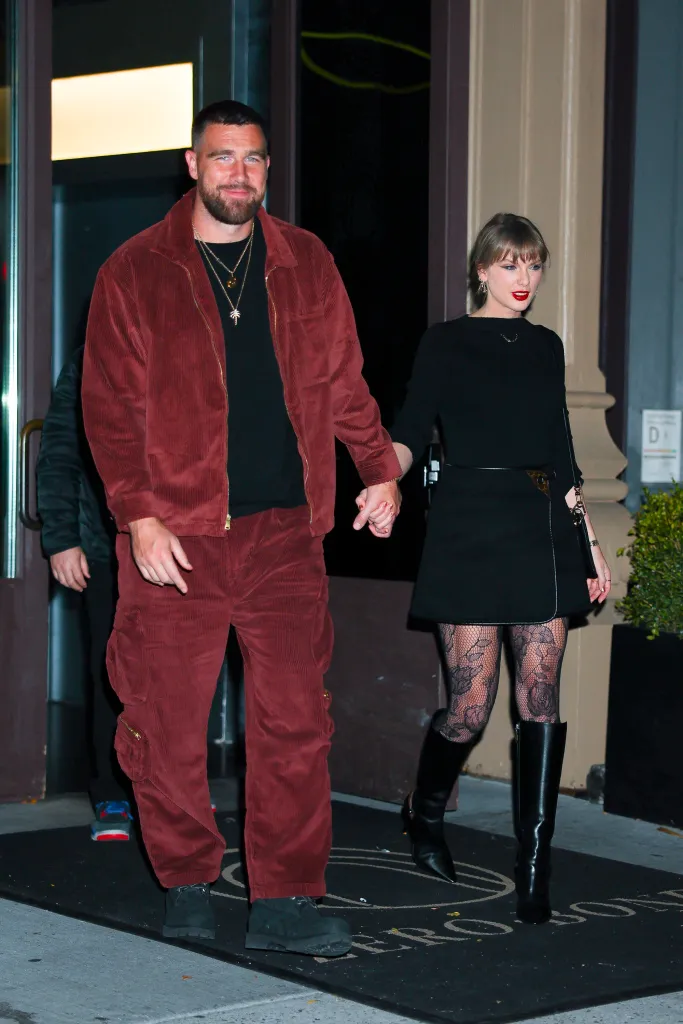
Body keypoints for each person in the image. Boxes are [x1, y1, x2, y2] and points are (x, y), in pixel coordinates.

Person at [81, 99, 401, 954]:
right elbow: (108, 411)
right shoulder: (134, 270)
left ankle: (285, 900)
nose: (239, 175)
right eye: (222, 158)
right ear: (192, 164)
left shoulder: (305, 260)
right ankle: (187, 879)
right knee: (168, 719)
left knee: (296, 720)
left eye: (253, 160)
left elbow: (343, 382)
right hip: (175, 539)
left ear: (267, 168)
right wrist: (138, 517)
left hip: (284, 536)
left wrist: (378, 468)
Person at [391, 213, 611, 925]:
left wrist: (588, 545)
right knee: (470, 705)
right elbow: (409, 425)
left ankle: (534, 865)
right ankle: (423, 815)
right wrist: (380, 479)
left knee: (539, 698)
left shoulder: (545, 347)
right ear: (481, 270)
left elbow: (560, 444)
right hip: (467, 525)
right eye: (510, 265)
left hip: (539, 525)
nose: (524, 280)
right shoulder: (445, 342)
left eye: (534, 266)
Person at [36, 345, 133, 841]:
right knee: (110, 668)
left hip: (184, 542)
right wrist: (62, 537)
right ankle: (112, 793)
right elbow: (59, 452)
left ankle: (167, 787)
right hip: (105, 544)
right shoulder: (92, 354)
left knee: (179, 673)